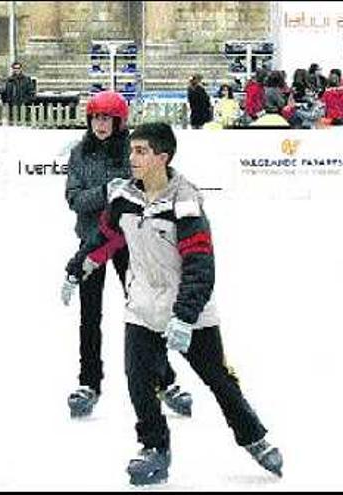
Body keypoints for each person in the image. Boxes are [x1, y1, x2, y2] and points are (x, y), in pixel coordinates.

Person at [62, 122, 283, 485]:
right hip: (143, 307)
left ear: (162, 157)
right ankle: (155, 449)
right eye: (131, 151)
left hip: (189, 312)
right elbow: (104, 239)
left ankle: (254, 437)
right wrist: (77, 269)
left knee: (219, 380)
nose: (131, 158)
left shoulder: (185, 201)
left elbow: (200, 265)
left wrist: (184, 316)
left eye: (141, 151)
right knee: (138, 381)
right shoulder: (124, 198)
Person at [63, 91, 190, 419]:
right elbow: (74, 199)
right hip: (92, 243)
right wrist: (105, 191)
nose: (101, 125)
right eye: (96, 118)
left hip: (128, 245)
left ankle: (164, 379)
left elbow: (143, 190)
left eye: (107, 119)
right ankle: (88, 382)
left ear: (118, 122)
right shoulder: (80, 154)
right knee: (89, 317)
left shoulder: (131, 152)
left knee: (146, 313)